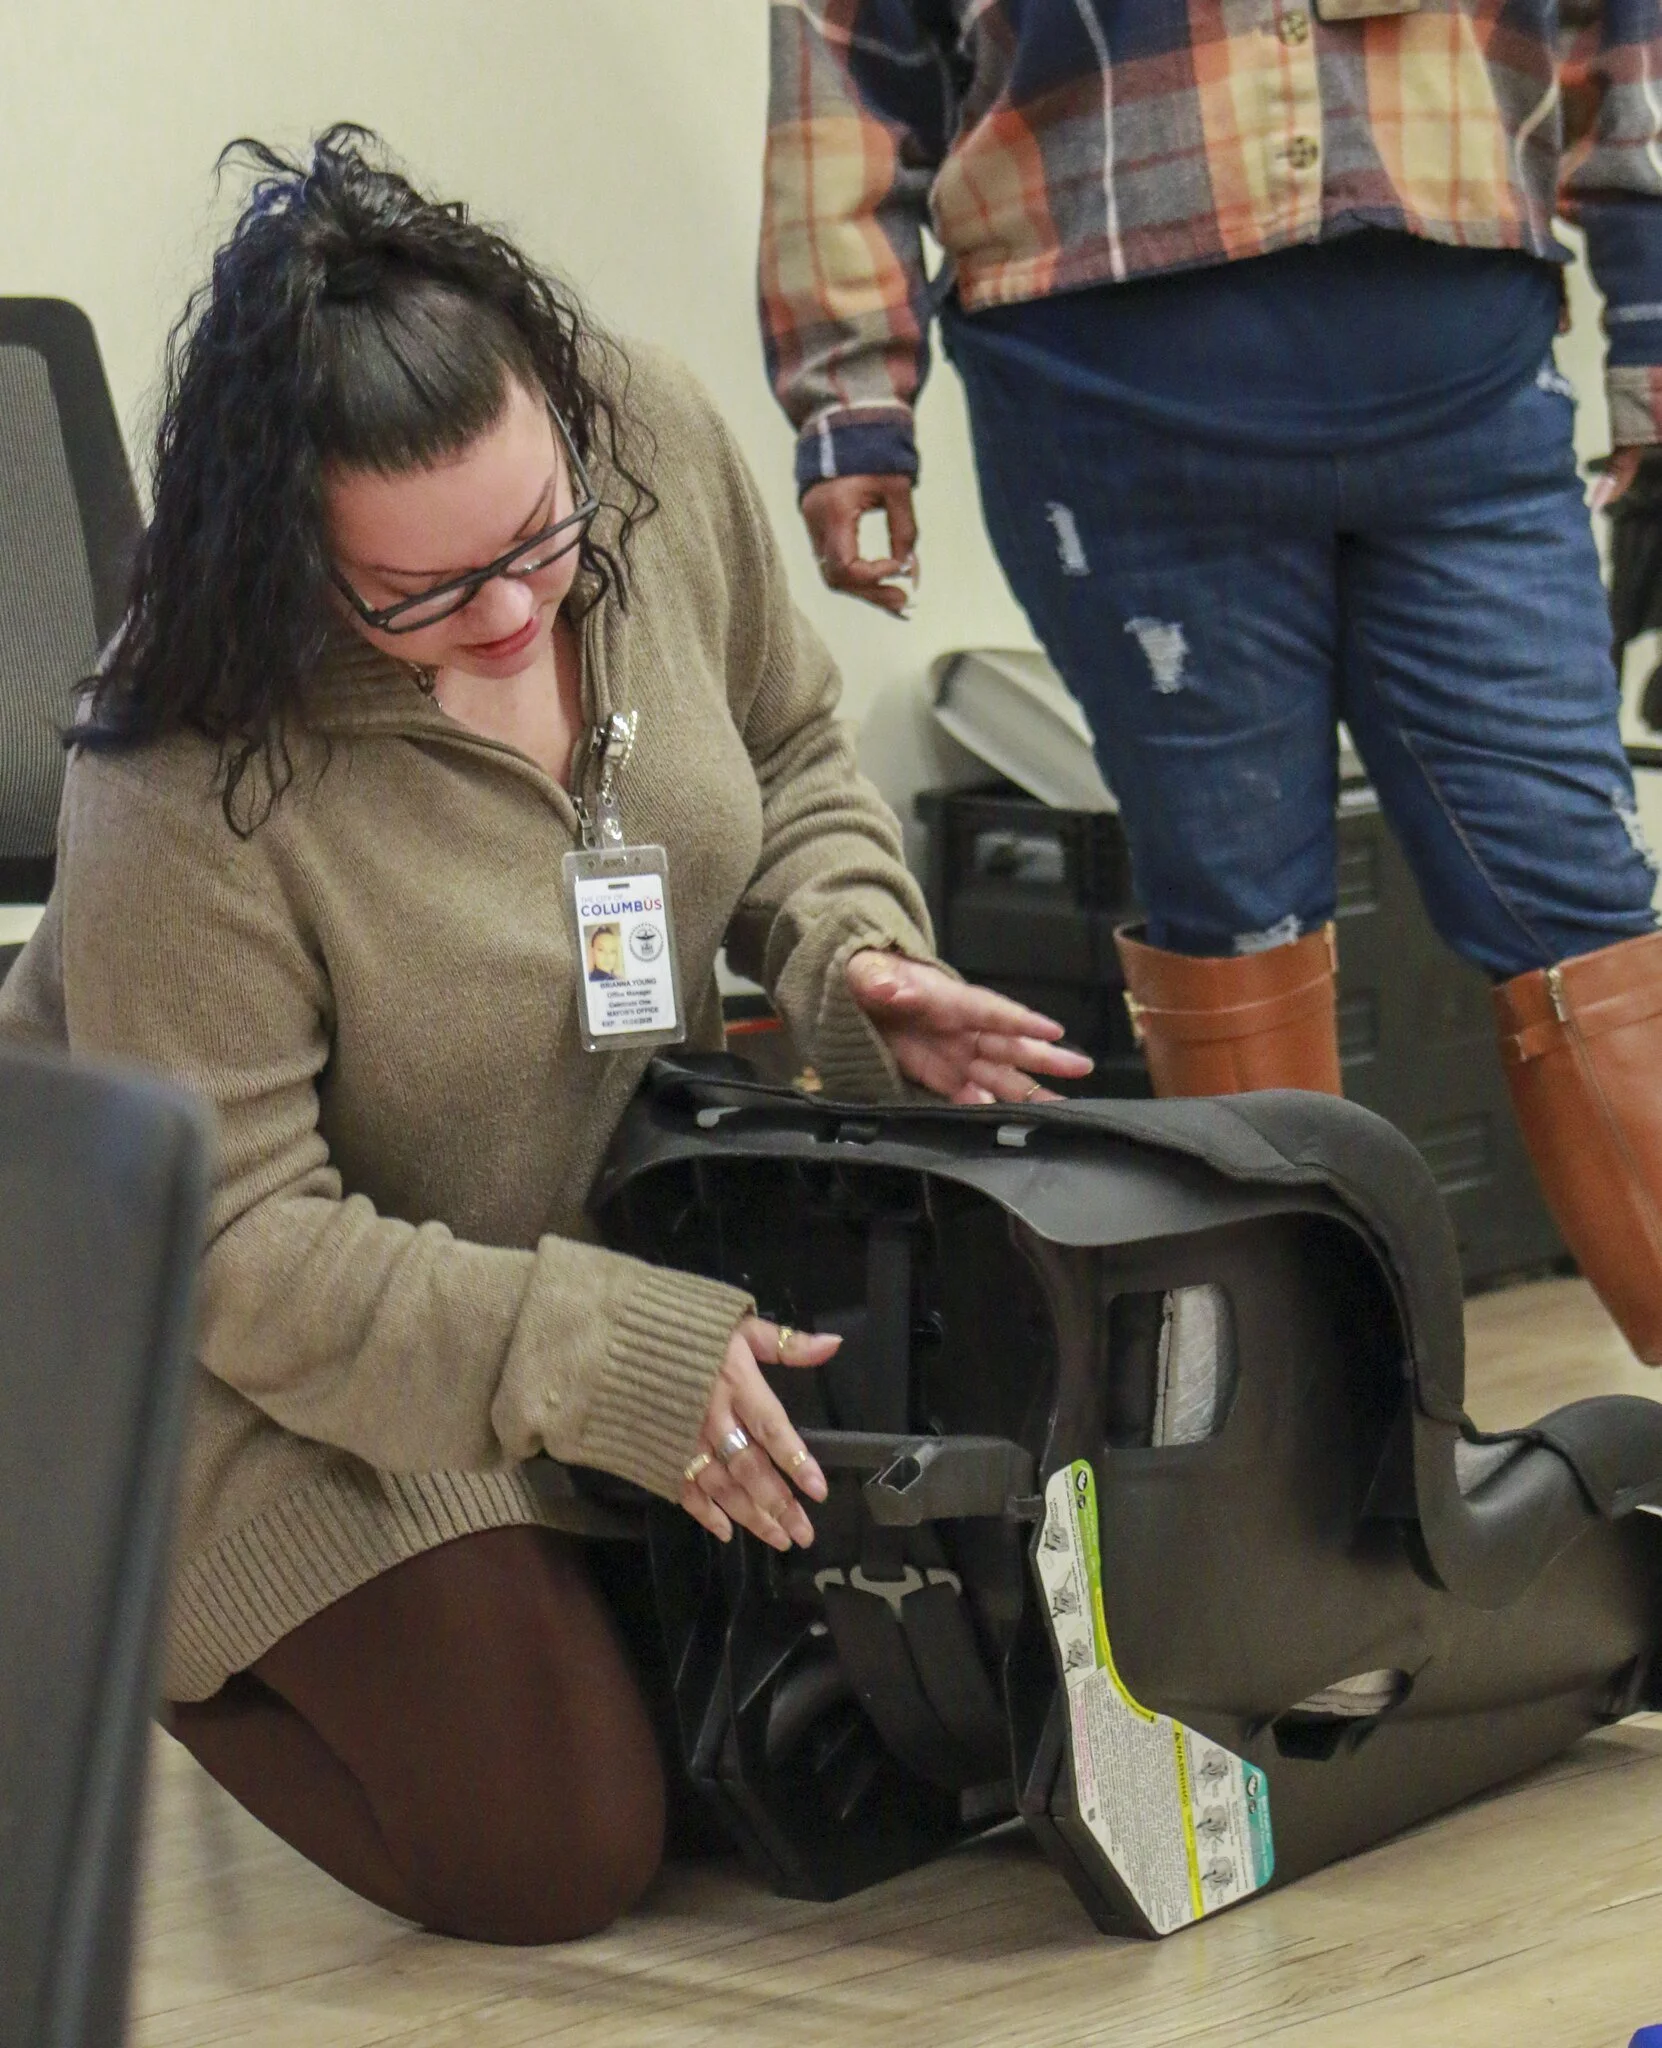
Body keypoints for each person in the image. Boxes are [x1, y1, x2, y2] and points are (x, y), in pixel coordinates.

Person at [0, 127, 1091, 1945]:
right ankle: (101, 1597)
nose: (513, 614)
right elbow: (237, 1248)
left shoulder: (647, 441)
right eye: (422, 598)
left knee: (824, 1772)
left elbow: (795, 755)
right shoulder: (186, 766)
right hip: (229, 1358)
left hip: (565, 1267)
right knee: (554, 1851)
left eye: (537, 546)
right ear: (287, 567)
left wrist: (850, 960)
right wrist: (598, 1355)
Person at [760, 0, 1662, 1365]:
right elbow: (845, 49)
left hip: (1467, 397)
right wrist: (846, 392)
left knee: (1585, 910)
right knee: (1234, 926)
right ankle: (1318, 1483)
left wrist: (1651, 334)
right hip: (1114, 434)